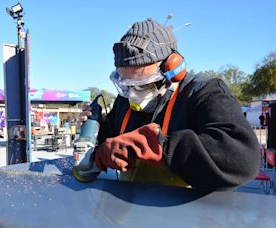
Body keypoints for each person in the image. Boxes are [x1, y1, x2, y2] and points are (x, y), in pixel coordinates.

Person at [80, 18, 259, 190]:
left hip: (191, 213)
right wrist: (96, 129)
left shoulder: (205, 93)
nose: (133, 94)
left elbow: (242, 160)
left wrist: (159, 146)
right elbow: (112, 142)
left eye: (144, 84)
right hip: (133, 210)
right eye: (127, 85)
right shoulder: (124, 101)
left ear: (173, 69)